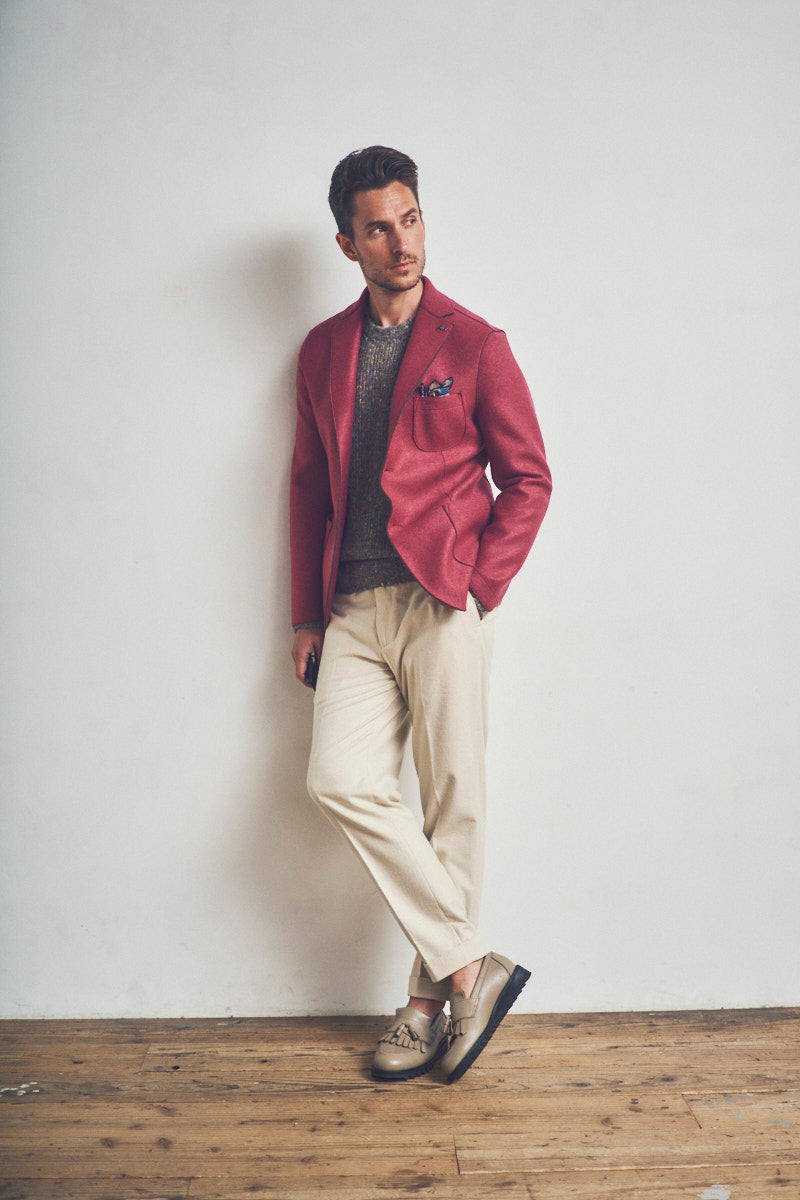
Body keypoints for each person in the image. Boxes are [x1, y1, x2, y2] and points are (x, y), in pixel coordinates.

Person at [290, 146, 551, 1084]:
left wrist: (481, 587)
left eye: (410, 219)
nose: (400, 242)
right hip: (354, 607)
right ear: (347, 244)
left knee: (454, 803)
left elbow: (529, 479)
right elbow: (308, 486)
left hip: (444, 597)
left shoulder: (474, 342)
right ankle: (471, 967)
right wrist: (305, 615)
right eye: (378, 228)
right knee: (339, 779)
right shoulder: (323, 350)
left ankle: (423, 1006)